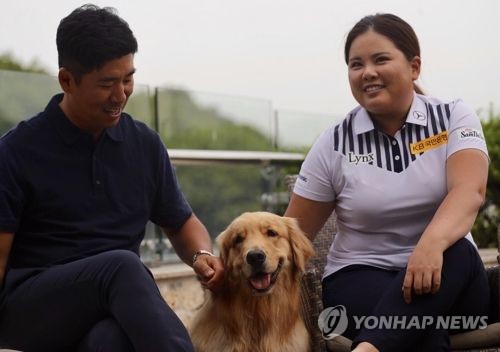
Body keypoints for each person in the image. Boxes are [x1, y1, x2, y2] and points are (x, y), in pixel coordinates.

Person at [0, 4, 223, 352]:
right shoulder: (16, 151)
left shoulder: (145, 145)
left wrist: (201, 254)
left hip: (110, 305)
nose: (120, 95)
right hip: (31, 307)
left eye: (128, 79)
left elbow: (181, 223)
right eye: (107, 83)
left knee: (110, 341)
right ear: (66, 80)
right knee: (121, 265)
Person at [285, 13, 490, 352]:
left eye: (380, 59)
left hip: (451, 276)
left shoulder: (454, 116)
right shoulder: (334, 142)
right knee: (421, 330)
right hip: (359, 276)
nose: (367, 72)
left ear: (414, 67)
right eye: (356, 64)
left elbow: (469, 191)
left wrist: (431, 245)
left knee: (460, 251)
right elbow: (293, 234)